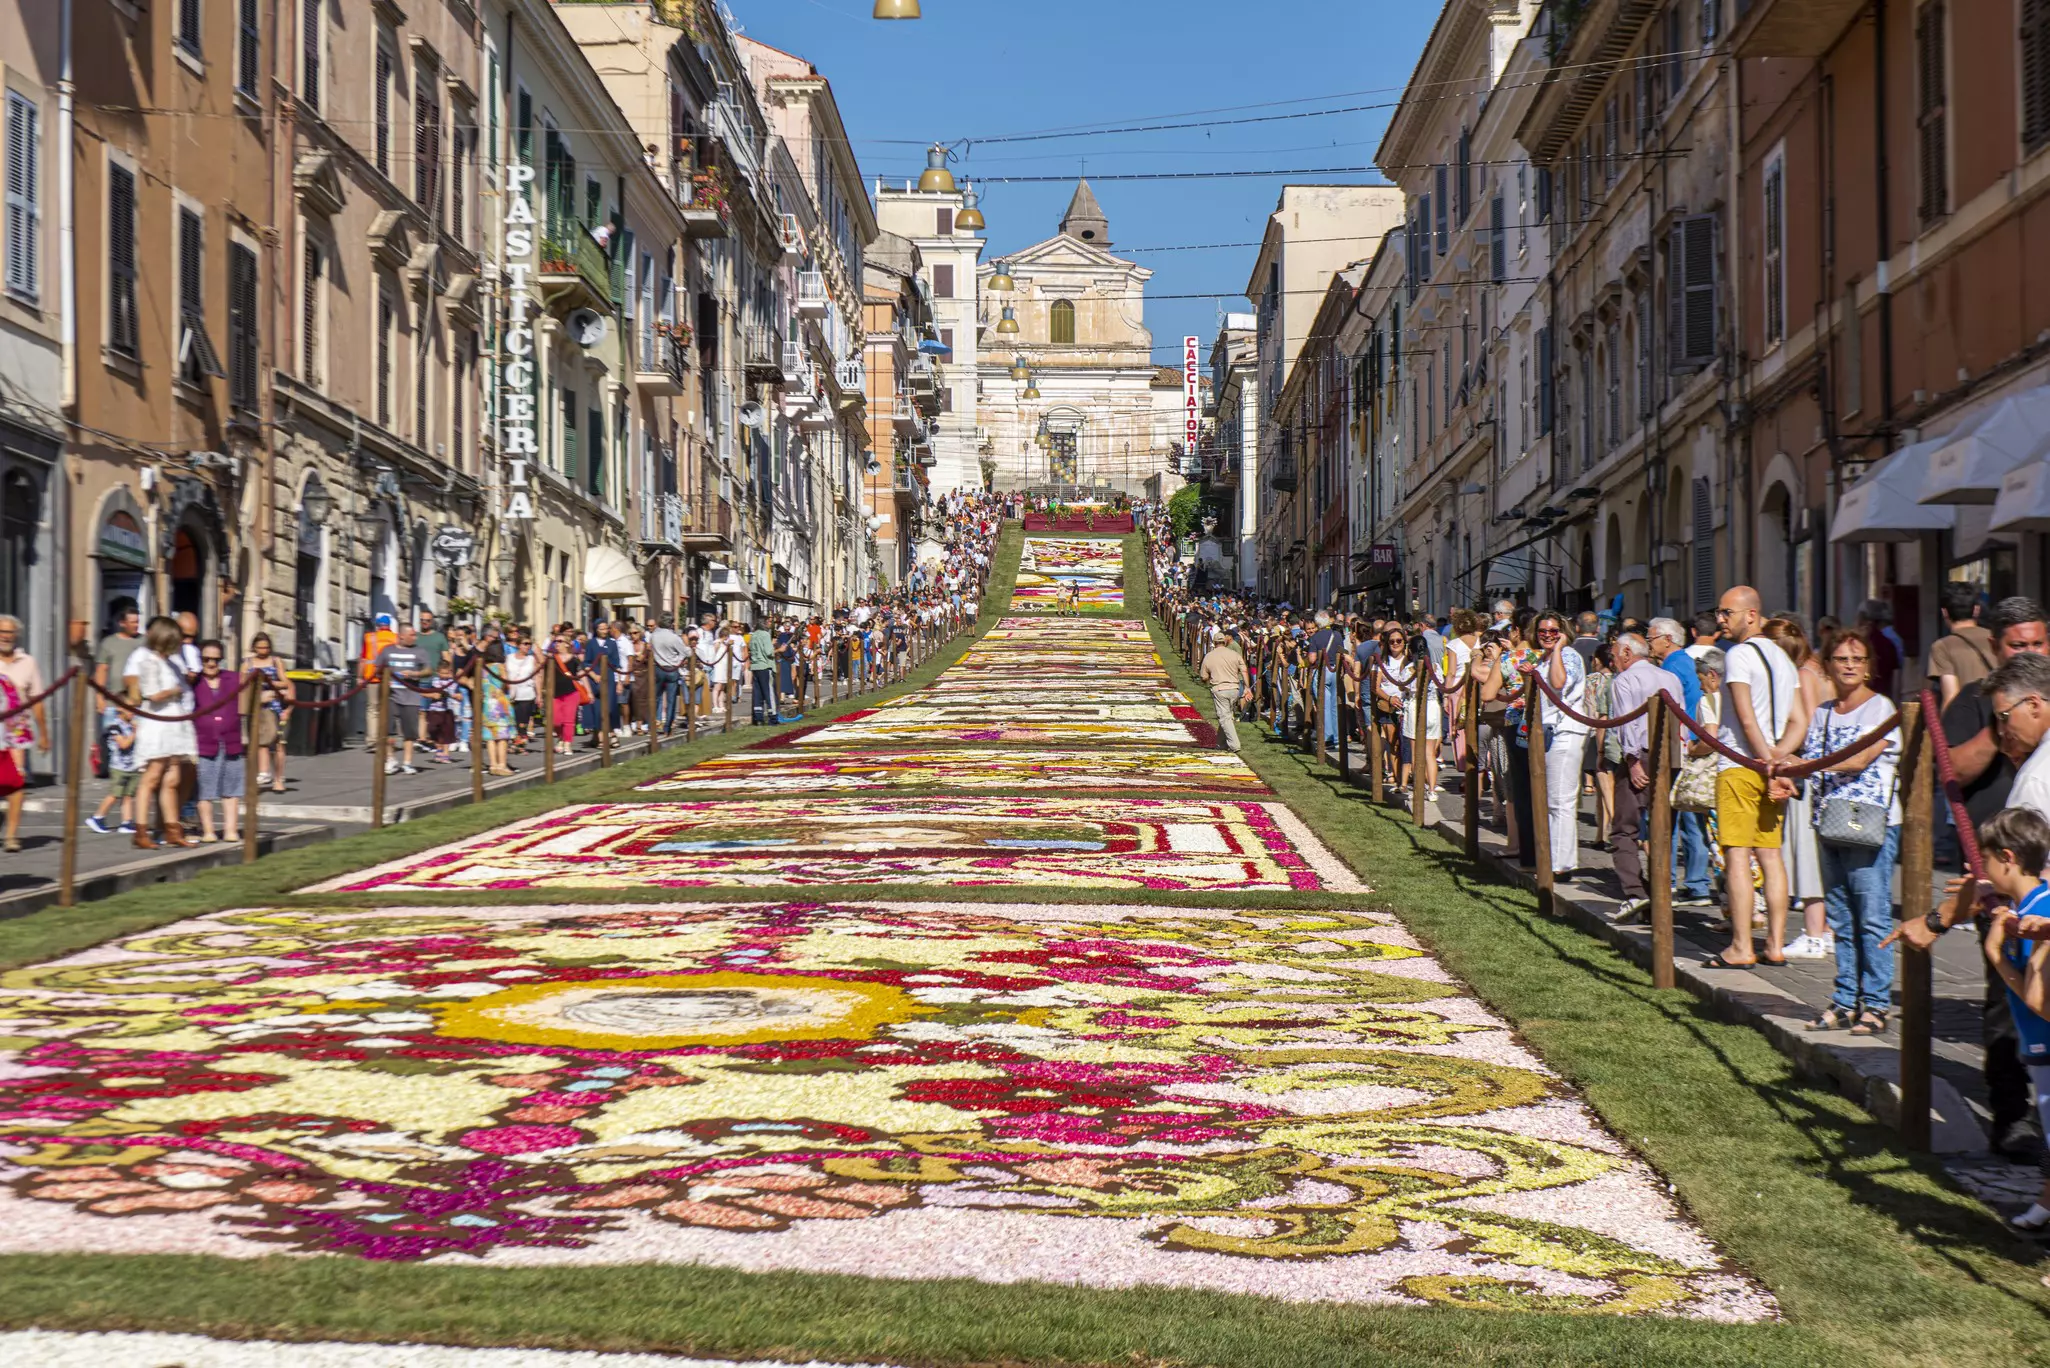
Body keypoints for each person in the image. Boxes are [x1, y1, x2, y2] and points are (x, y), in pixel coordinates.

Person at [1908, 597, 2050, 1157]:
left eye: (2039, 641)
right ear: (1994, 646)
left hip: (2026, 906)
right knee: (2009, 1018)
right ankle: (2015, 1123)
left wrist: (1940, 919)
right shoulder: (1977, 703)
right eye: (2019, 644)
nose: (2033, 650)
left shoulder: (2037, 781)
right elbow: (1953, 766)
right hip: (2003, 886)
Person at [1797, 628, 1901, 1035]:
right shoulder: (1822, 712)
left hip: (1870, 824)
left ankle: (1876, 1003)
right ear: (1828, 666)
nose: (1850, 666)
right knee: (1840, 916)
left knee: (1872, 916)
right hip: (1829, 822)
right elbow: (1808, 759)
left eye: (1858, 659)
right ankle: (1845, 999)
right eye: (1841, 659)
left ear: (1869, 667)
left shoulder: (1882, 710)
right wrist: (1787, 770)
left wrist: (1804, 765)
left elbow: (1859, 760)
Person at [1706, 586, 1806, 970]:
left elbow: (1746, 719)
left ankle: (1742, 945)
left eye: (1726, 612)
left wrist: (1766, 762)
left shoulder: (1739, 656)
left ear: (1751, 615)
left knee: (1737, 856)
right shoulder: (1782, 656)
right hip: (1772, 766)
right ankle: (1776, 944)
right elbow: (1799, 720)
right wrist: (1780, 760)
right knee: (1771, 856)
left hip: (1740, 766)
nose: (1720, 619)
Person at [1971, 806, 2050, 1229]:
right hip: (2037, 1045)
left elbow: (2040, 998)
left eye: (1986, 861)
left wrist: (1996, 956)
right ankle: (2045, 1203)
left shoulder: (2041, 911)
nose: (1983, 871)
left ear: (2007, 858)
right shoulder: (2031, 902)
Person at [1764, 617, 1834, 961]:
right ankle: (1826, 929)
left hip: (1809, 770)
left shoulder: (1802, 675)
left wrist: (1783, 754)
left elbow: (1808, 724)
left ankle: (1815, 933)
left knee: (1807, 855)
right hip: (1821, 769)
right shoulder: (1817, 669)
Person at [1605, 633, 1683, 924]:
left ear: (1626, 652)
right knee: (1661, 830)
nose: (1613, 660)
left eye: (1614, 654)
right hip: (1669, 757)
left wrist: (1633, 761)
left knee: (1624, 829)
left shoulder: (1624, 681)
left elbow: (1627, 724)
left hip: (1643, 756)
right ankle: (1659, 895)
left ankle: (1636, 893)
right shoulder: (1669, 678)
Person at [1649, 617, 1715, 905]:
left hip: (1680, 746)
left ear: (1667, 639)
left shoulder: (1673, 665)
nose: (1649, 643)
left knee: (1671, 816)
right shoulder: (1685, 661)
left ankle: (1670, 882)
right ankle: (1697, 883)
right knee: (1691, 817)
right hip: (1689, 742)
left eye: (1651, 638)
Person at [1530, 611, 1590, 881]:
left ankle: (1562, 864)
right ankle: (1552, 857)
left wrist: (1558, 648)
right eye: (1543, 632)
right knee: (1551, 800)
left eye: (1553, 631)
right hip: (1550, 731)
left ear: (1563, 632)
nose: (1547, 636)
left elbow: (1558, 682)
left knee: (1561, 801)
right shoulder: (1544, 657)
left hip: (1566, 731)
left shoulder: (1568, 656)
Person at [129, 616, 197, 850]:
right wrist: (173, 690)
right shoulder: (149, 662)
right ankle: (140, 830)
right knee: (152, 776)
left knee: (173, 778)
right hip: (158, 723)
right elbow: (151, 694)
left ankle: (172, 828)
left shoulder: (170, 662)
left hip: (174, 725)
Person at [190, 641, 244, 844]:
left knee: (231, 787)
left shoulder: (233, 678)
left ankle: (231, 830)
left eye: (216, 659)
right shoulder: (193, 682)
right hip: (204, 742)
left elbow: (256, 688)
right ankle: (209, 831)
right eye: (206, 659)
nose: (211, 663)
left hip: (231, 740)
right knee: (205, 789)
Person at [0, 615, 46, 852]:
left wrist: (44, 733)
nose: (5, 636)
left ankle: (11, 835)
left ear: (16, 635)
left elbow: (37, 700)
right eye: (1, 631)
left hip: (16, 733)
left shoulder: (28, 662)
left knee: (16, 783)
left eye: (9, 632)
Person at [1930, 580, 1997, 709]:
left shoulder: (1942, 646)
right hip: (2000, 718)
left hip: (1967, 721)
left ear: (1945, 613)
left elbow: (1951, 698)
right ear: (1976, 610)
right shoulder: (1996, 638)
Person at [239, 633, 291, 793]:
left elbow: (286, 682)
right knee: (257, 743)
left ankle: (278, 778)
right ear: (254, 647)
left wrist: (271, 682)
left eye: (267, 647)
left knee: (277, 743)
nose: (263, 650)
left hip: (274, 706)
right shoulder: (247, 663)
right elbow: (241, 686)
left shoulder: (276, 662)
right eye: (260, 647)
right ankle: (261, 773)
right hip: (254, 706)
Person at [375, 624, 429, 775]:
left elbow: (428, 670)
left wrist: (414, 674)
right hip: (391, 695)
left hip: (411, 695)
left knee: (409, 732)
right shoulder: (388, 650)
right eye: (412, 635)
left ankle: (407, 762)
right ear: (402, 636)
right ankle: (390, 758)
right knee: (386, 729)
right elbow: (377, 668)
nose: (415, 637)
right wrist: (383, 674)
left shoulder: (419, 651)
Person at [85, 706, 140, 835]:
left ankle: (126, 822)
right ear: (121, 709)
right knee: (115, 794)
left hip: (132, 766)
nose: (134, 713)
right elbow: (124, 744)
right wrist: (135, 732)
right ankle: (97, 817)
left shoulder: (130, 725)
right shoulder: (115, 726)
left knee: (128, 795)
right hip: (119, 767)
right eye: (131, 709)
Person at [1199, 629, 1248, 753]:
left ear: (1214, 642)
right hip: (1235, 689)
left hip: (1220, 689)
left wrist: (1208, 678)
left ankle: (1234, 745)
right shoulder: (1234, 654)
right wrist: (1247, 687)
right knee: (1226, 715)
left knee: (1225, 718)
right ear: (1224, 642)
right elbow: (1244, 670)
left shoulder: (1209, 656)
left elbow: (1203, 676)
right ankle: (1221, 744)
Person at [648, 614, 686, 736]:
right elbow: (685, 652)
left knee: (656, 697)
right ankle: (667, 728)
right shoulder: (674, 637)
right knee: (671, 700)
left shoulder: (654, 636)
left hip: (658, 668)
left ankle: (654, 723)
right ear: (670, 623)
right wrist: (679, 659)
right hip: (672, 669)